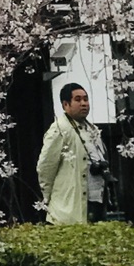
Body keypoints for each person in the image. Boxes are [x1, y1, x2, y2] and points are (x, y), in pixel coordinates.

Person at [37, 81, 107, 225]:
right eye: (78, 100)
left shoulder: (91, 128)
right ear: (65, 105)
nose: (83, 103)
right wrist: (49, 198)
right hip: (68, 204)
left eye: (85, 99)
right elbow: (46, 166)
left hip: (95, 199)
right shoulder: (60, 128)